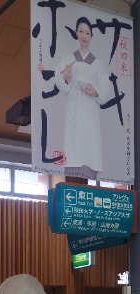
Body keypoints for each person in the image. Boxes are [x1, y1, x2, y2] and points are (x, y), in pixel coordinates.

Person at [55, 17, 111, 179]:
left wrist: (95, 92)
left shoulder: (98, 65)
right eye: (81, 31)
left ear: (91, 36)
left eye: (87, 32)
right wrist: (67, 78)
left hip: (90, 111)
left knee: (90, 143)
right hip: (74, 108)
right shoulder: (68, 59)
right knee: (73, 143)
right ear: (76, 33)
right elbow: (59, 79)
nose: (84, 35)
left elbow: (106, 88)